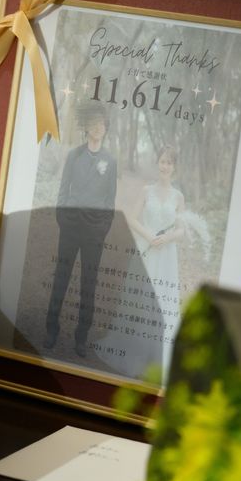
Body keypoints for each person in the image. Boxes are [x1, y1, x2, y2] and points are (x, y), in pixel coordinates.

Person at [44, 103, 117, 357]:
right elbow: (63, 189)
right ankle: (51, 328)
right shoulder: (74, 155)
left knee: (89, 283)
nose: (98, 127)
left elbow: (110, 200)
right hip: (71, 227)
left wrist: (102, 229)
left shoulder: (110, 161)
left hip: (94, 232)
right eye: (93, 123)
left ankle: (81, 337)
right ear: (86, 126)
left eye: (101, 123)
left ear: (105, 128)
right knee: (61, 277)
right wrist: (62, 217)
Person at [128, 144, 185, 378]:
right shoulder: (146, 191)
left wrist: (167, 237)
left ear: (174, 167)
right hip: (147, 247)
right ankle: (139, 349)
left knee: (162, 298)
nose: (165, 166)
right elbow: (132, 218)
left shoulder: (178, 196)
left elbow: (181, 229)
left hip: (166, 254)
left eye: (169, 163)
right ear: (157, 163)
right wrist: (149, 236)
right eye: (162, 161)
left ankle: (158, 352)